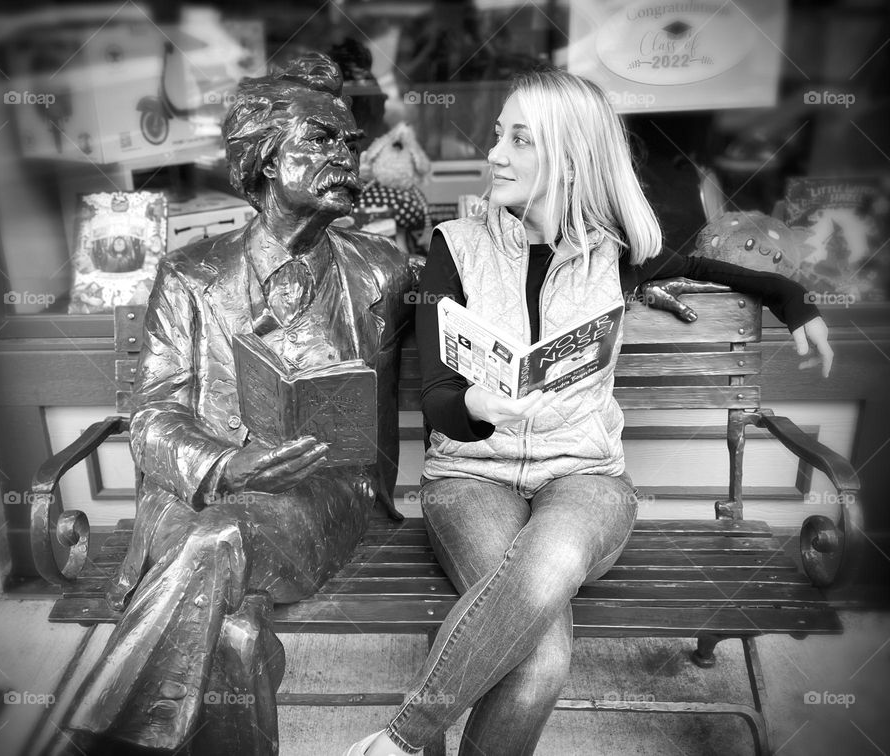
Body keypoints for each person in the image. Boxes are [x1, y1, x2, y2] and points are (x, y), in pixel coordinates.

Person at [346, 67, 832, 756]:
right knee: (542, 660)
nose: (494, 154)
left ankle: (398, 741)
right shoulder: (453, 248)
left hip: (586, 479)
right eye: (496, 135)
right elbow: (438, 404)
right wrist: (477, 405)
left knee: (554, 557)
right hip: (471, 480)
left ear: (571, 155)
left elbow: (723, 270)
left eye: (520, 139)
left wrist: (794, 298)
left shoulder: (620, 255)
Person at [63, 53, 414, 754]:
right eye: (320, 139)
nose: (345, 157)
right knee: (234, 630)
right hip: (200, 498)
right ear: (263, 159)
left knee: (216, 544)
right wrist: (229, 465)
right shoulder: (191, 275)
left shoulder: (384, 271)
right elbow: (154, 419)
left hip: (324, 500)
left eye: (350, 142)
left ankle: (98, 744)